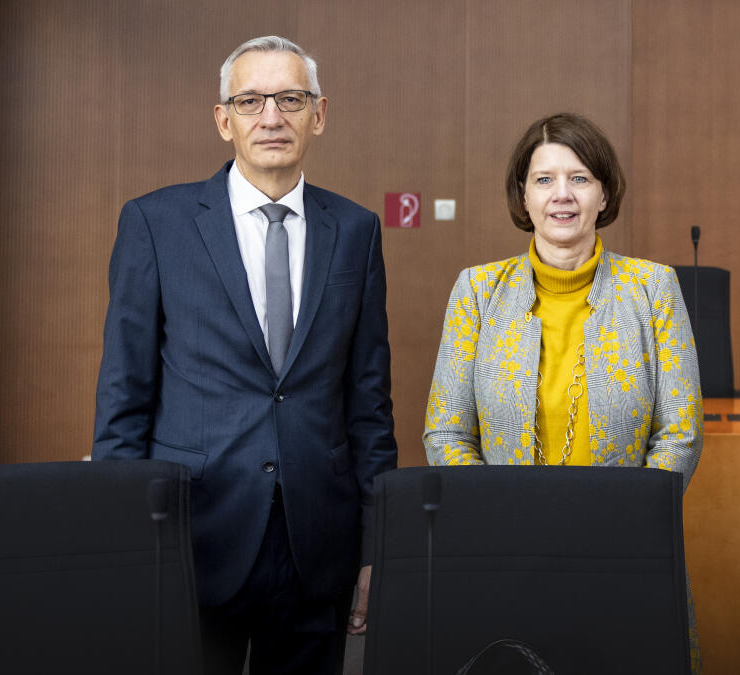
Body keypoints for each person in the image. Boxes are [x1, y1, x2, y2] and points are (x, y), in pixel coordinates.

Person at [92, 35, 398, 674]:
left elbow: (369, 401)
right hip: (192, 534)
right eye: (250, 99)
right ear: (222, 118)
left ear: (319, 114)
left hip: (319, 539)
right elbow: (124, 393)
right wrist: (121, 541)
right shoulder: (156, 223)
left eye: (290, 98)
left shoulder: (356, 229)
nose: (271, 117)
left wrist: (376, 545)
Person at [423, 112, 703, 670]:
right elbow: (446, 430)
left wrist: (624, 520)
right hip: (503, 553)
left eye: (580, 178)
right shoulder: (477, 291)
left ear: (604, 194)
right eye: (544, 179)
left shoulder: (653, 288)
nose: (562, 196)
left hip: (625, 552)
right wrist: (502, 521)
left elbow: (681, 432)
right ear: (522, 196)